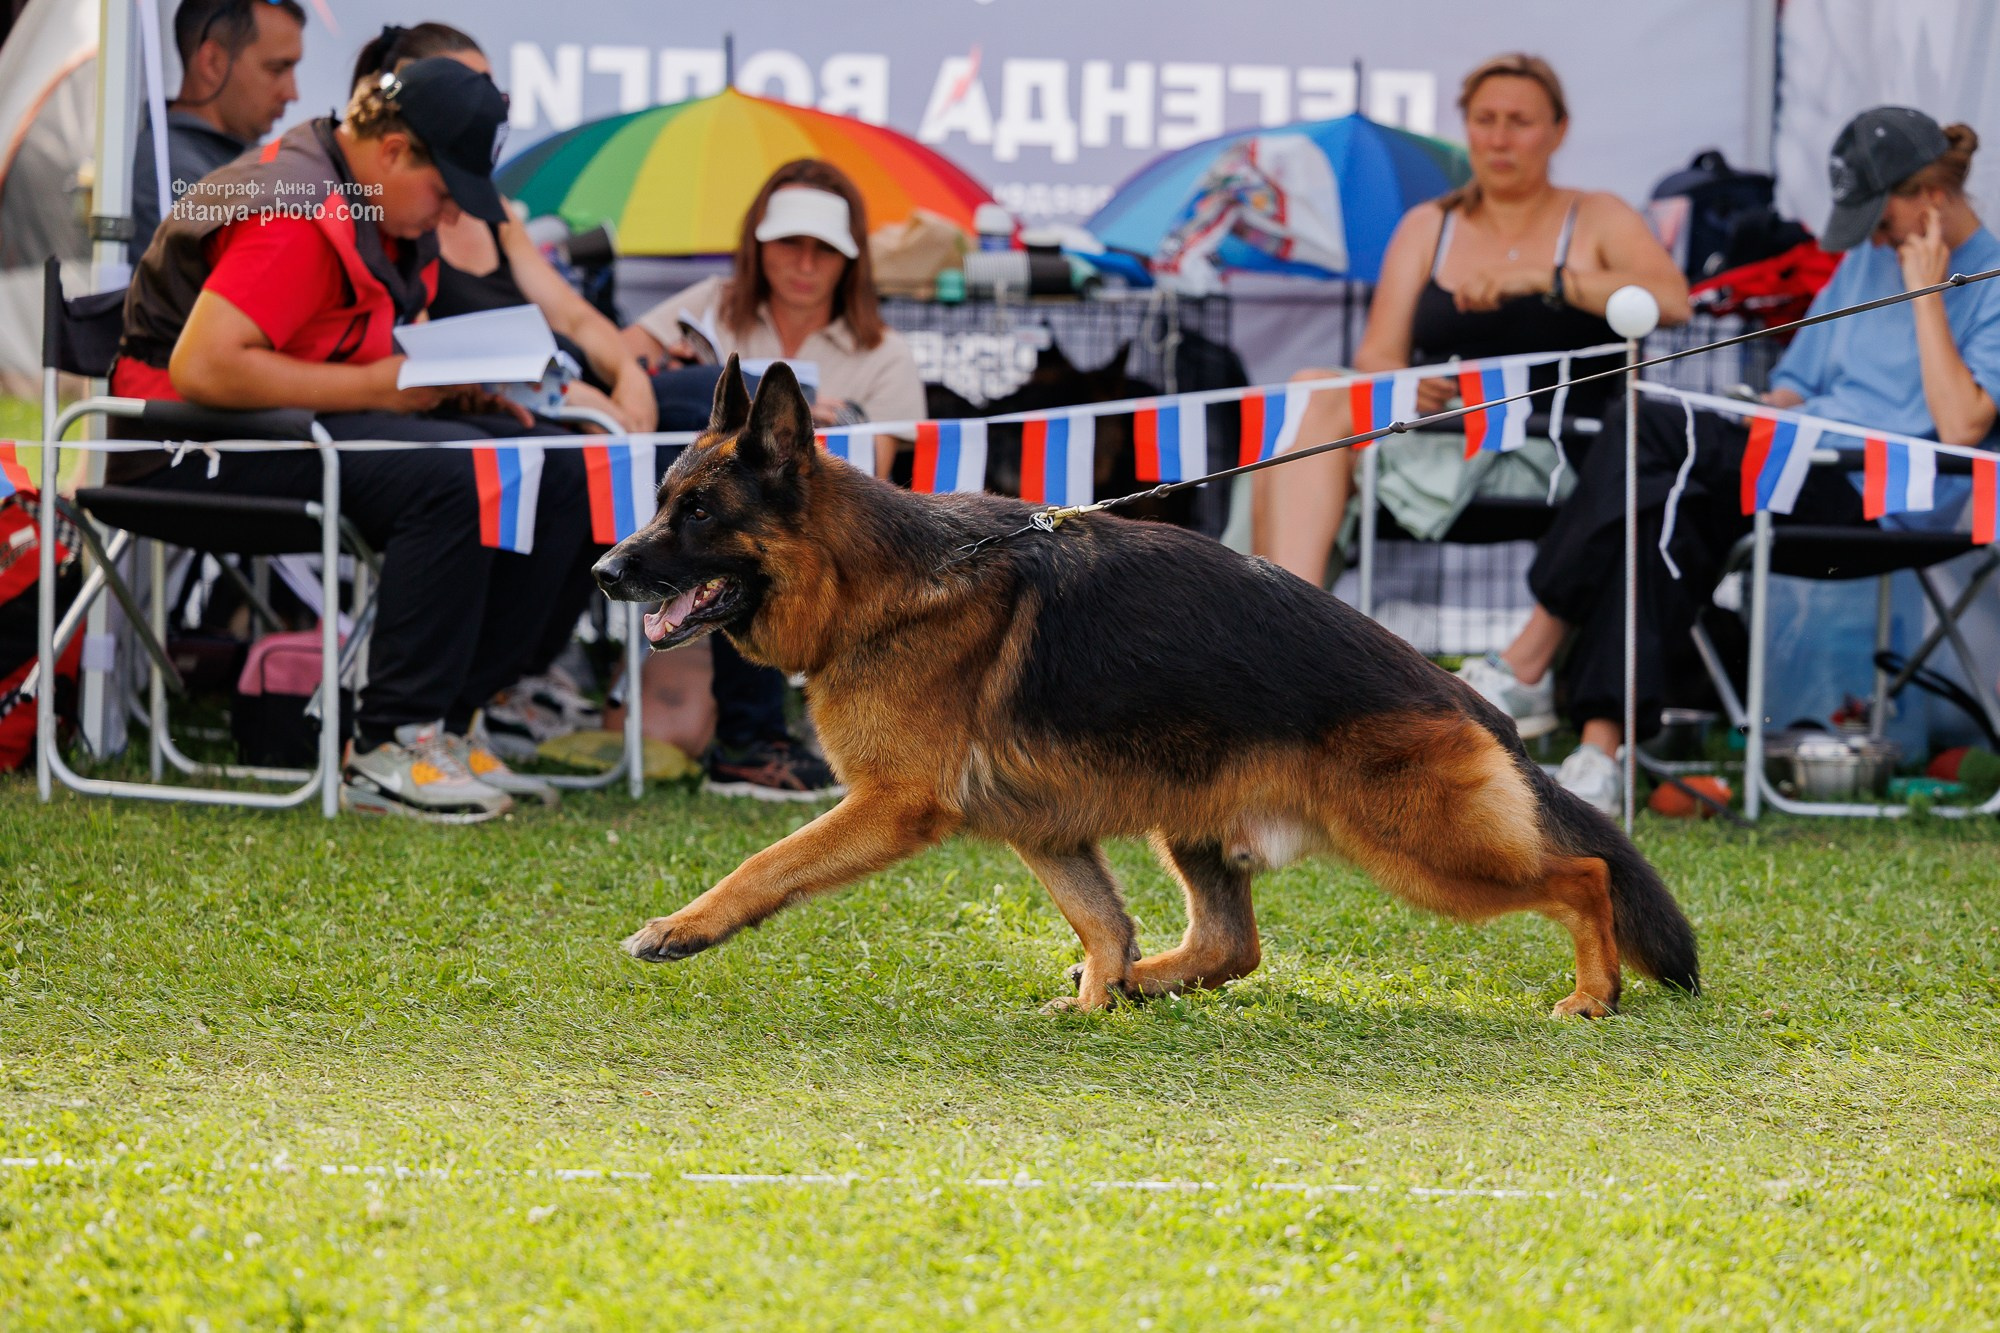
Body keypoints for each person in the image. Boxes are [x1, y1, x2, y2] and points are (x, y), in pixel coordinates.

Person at [1460, 107, 2000, 814]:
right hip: (1796, 462)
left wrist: (1929, 294)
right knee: (1657, 501)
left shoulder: (1986, 279)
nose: (1874, 232)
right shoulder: (1868, 260)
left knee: (1646, 420)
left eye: (1880, 214)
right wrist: (1745, 414)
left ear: (1929, 195)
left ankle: (1530, 654)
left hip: (1881, 493)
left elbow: (1961, 427)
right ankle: (1601, 750)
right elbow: (1795, 385)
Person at [109, 57, 592, 820]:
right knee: (453, 476)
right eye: (443, 193)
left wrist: (456, 385)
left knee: (553, 463)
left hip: (283, 432)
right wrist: (382, 387)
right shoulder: (298, 212)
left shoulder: (377, 203)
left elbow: (346, 343)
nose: (447, 216)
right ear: (394, 150)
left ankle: (451, 721)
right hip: (182, 450)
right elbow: (202, 366)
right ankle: (387, 743)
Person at [1250, 53, 1690, 590]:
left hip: (1547, 441)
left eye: (1519, 122)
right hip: (1437, 431)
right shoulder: (1428, 225)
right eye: (1485, 120)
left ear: (1558, 131)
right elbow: (1378, 355)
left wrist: (1545, 279)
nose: (1499, 139)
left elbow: (1671, 301)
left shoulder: (1597, 215)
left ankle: (1279, 623)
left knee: (1307, 409)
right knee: (1309, 389)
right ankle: (1285, 615)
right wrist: (1407, 383)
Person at [617, 161, 927, 800]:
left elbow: (885, 476)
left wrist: (824, 437)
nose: (806, 264)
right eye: (791, 244)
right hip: (696, 532)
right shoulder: (710, 302)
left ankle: (757, 737)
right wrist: (655, 371)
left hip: (810, 554)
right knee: (665, 732)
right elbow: (616, 359)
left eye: (825, 250)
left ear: (851, 261)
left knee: (752, 532)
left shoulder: (885, 353)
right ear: (760, 247)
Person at [130, 0, 305, 260]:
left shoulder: (239, 161)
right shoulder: (171, 172)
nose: (292, 93)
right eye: (276, 69)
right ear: (212, 62)